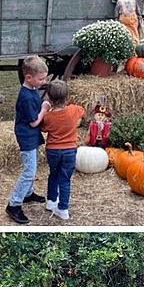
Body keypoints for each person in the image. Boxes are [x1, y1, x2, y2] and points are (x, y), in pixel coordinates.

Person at [31, 80, 83, 221]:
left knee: (53, 174)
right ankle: (63, 209)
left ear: (49, 98)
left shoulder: (48, 116)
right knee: (65, 180)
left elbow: (43, 128)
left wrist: (46, 109)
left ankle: (51, 201)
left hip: (53, 150)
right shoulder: (73, 110)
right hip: (69, 151)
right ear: (66, 97)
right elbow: (82, 112)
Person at [6, 56, 48, 224]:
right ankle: (14, 204)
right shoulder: (26, 97)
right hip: (27, 136)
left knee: (33, 164)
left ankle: (28, 194)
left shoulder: (32, 90)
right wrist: (44, 109)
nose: (43, 82)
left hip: (32, 135)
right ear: (28, 78)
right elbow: (34, 121)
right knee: (29, 171)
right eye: (41, 79)